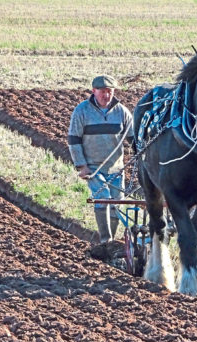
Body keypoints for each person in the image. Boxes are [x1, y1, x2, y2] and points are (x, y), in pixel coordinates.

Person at [68, 74, 133, 244]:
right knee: (103, 197)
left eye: (110, 91)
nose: (106, 95)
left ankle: (111, 240)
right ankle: (106, 240)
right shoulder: (82, 111)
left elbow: (133, 138)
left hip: (116, 168)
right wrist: (82, 166)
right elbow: (74, 139)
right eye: (103, 91)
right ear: (94, 91)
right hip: (93, 167)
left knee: (117, 203)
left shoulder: (122, 111)